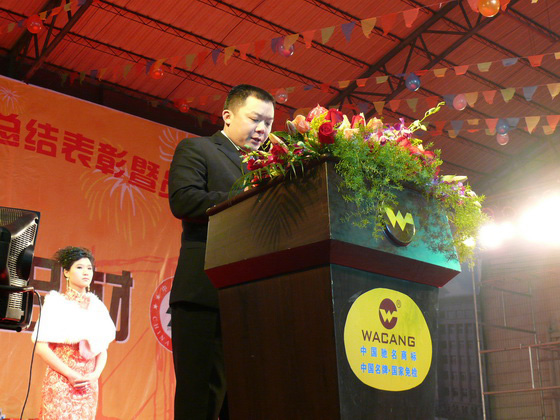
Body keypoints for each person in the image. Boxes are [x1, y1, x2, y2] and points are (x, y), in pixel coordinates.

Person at [168, 84, 275, 419]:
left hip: (254, 300)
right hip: (206, 294)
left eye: (269, 123)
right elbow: (185, 201)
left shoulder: (269, 167)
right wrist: (251, 194)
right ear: (228, 116)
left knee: (245, 402)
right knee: (201, 400)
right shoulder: (198, 149)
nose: (262, 129)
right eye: (255, 119)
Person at [32, 246, 116, 420]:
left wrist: (95, 375)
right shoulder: (56, 303)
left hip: (88, 384)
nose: (86, 272)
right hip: (61, 381)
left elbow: (102, 349)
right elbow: (41, 348)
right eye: (79, 267)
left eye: (89, 268)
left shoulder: (97, 307)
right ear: (66, 272)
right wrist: (70, 374)